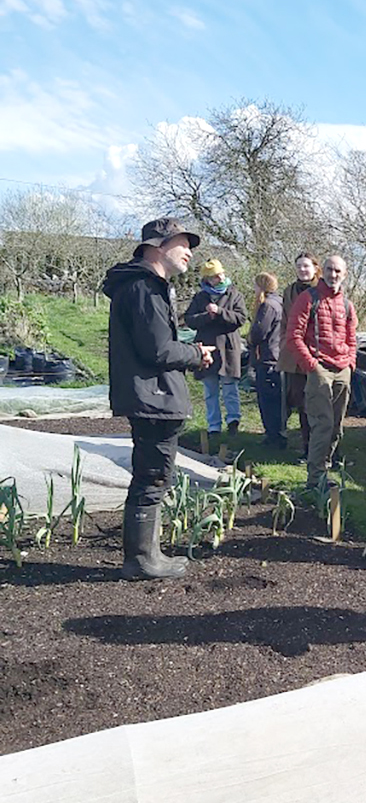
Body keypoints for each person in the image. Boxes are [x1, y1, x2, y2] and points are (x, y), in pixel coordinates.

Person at [102, 218, 215, 579]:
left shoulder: (143, 287)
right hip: (153, 398)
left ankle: (148, 553)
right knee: (152, 477)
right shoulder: (144, 289)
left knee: (151, 475)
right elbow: (158, 350)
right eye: (183, 243)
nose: (189, 252)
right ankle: (141, 560)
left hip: (151, 395)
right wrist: (196, 354)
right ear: (157, 246)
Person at [286, 254, 358, 489]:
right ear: (322, 271)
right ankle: (314, 477)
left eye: (337, 271)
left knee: (336, 427)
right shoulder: (308, 298)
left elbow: (352, 338)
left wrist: (350, 363)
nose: (333, 274)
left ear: (345, 274)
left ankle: (324, 469)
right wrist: (311, 365)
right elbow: (294, 336)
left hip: (342, 369)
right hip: (319, 369)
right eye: (329, 269)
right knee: (322, 424)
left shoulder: (347, 305)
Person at [184, 258, 248, 449]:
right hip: (207, 348)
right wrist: (207, 316)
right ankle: (213, 426)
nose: (220, 277)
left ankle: (233, 421)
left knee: (230, 387)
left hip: (228, 347)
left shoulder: (234, 294)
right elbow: (190, 320)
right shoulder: (200, 297)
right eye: (214, 276)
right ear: (207, 279)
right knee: (210, 390)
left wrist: (220, 312)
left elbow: (241, 318)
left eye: (221, 274)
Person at [278, 252, 321, 462]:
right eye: (299, 266)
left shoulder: (322, 291)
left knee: (320, 405)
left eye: (306, 266)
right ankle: (306, 448)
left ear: (315, 268)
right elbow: (285, 322)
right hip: (294, 356)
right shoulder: (289, 291)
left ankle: (324, 450)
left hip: (316, 355)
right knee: (301, 404)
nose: (302, 270)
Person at [248, 272, 286, 449]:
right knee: (277, 400)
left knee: (268, 401)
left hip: (268, 357)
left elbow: (258, 333)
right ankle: (278, 434)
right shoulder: (281, 302)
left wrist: (250, 338)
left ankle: (274, 437)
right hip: (278, 356)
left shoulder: (268, 306)